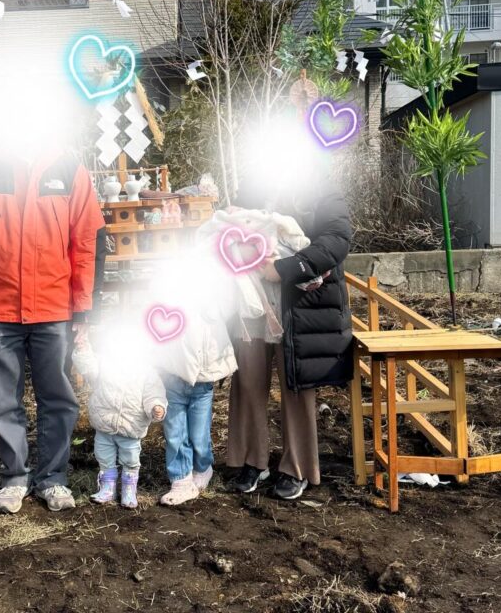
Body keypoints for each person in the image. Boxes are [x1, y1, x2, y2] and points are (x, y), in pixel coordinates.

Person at [0, 137, 105, 515]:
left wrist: (84, 310)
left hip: (55, 310)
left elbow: (87, 240)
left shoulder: (68, 169)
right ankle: (14, 478)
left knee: (59, 399)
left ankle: (53, 478)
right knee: (3, 402)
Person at [225, 163, 353, 502]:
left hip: (300, 305)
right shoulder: (254, 182)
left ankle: (295, 465)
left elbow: (336, 240)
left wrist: (281, 269)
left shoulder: (321, 186)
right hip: (251, 301)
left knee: (295, 385)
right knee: (248, 379)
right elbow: (233, 222)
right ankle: (254, 459)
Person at [150, 262, 240, 506]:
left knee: (199, 434)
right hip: (173, 377)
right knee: (175, 433)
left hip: (201, 381)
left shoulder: (213, 304)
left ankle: (203, 467)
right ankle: (180, 478)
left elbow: (230, 305)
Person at [72, 327, 167, 508]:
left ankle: (129, 488)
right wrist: (83, 349)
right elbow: (88, 367)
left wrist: (156, 406)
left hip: (131, 426)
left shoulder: (147, 373)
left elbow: (153, 393)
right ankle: (108, 487)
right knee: (104, 456)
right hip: (104, 423)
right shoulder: (105, 364)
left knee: (131, 458)